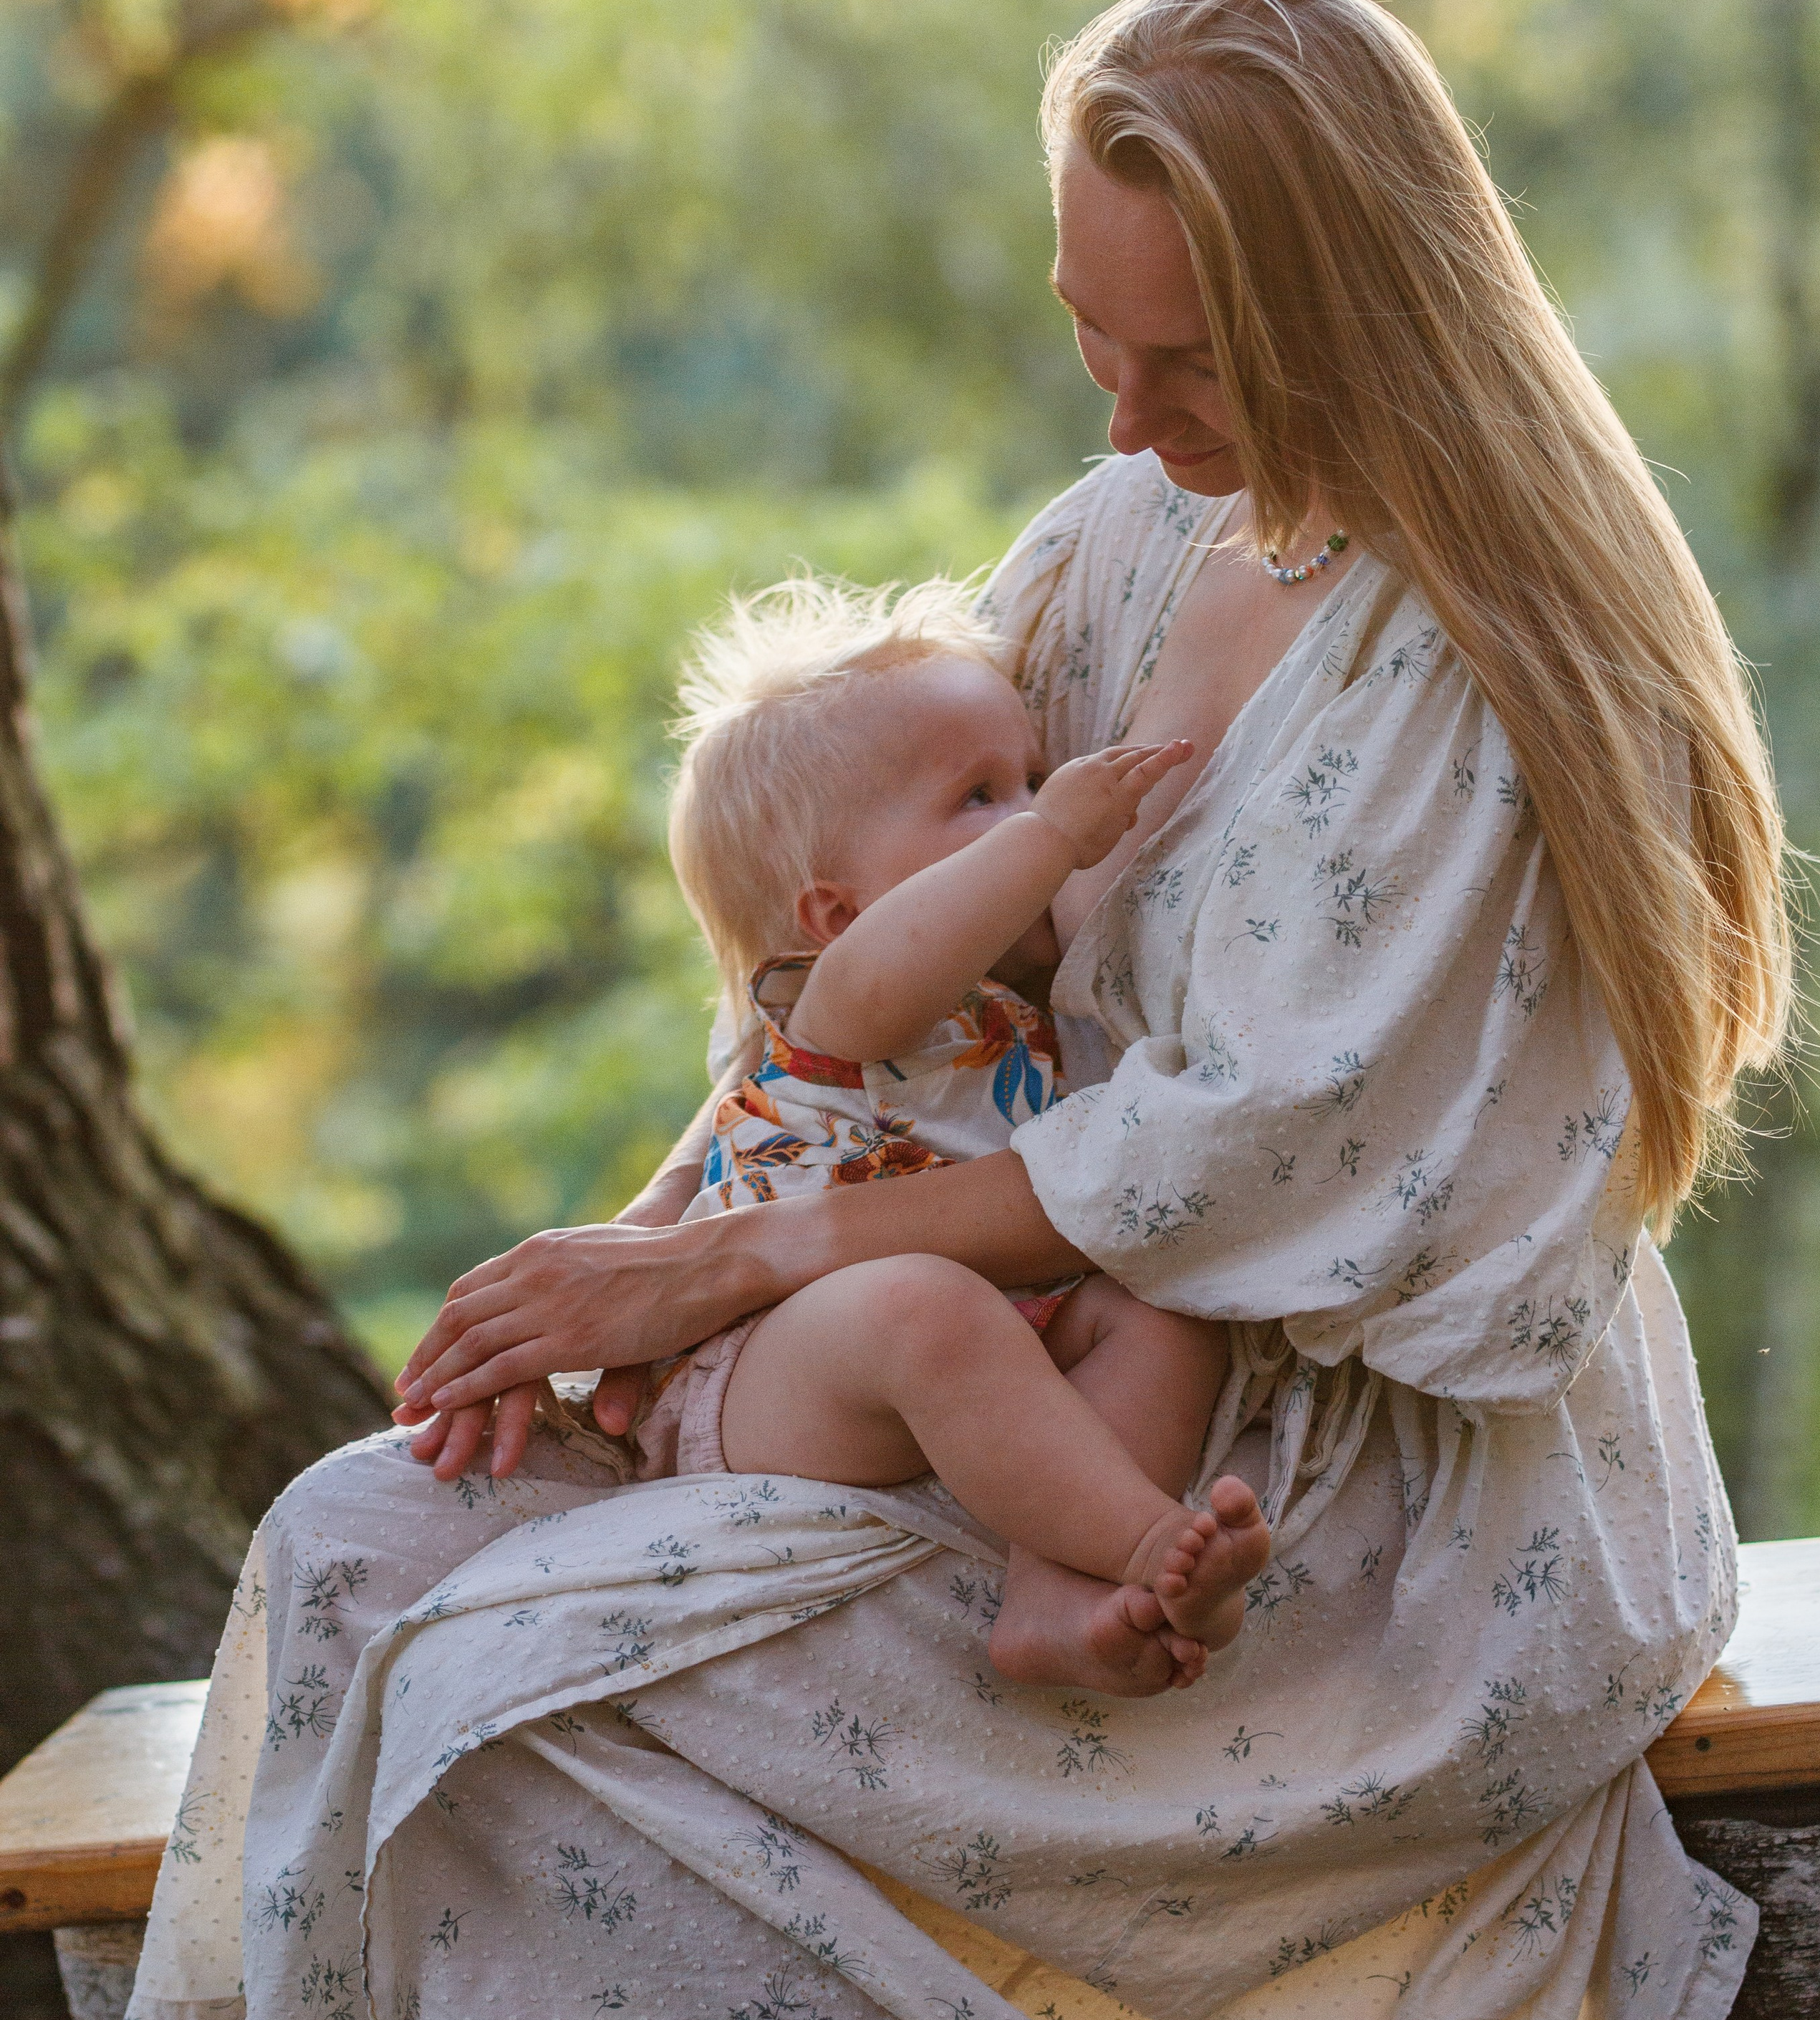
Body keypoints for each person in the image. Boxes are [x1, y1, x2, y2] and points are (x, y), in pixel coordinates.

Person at [129, 0, 1789, 2020]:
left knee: (516, 1690)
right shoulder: (1127, 532)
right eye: (1094, 335)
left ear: (1354, 308)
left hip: (1323, 1484)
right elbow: (857, 968)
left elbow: (1248, 1160)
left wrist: (741, 1267)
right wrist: (652, 1270)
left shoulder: (1470, 653)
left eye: (1192, 357)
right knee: (363, 1547)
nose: (1125, 401)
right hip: (1000, 1359)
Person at [401, 574, 1269, 1688]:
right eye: (977, 797)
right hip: (767, 1367)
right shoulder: (838, 999)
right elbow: (891, 981)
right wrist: (1054, 835)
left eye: (1032, 779)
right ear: (834, 916)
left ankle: (1060, 1593)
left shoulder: (1003, 1010)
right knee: (924, 1303)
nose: (1028, 813)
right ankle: (1143, 1542)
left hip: (970, 1345)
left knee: (1162, 1310)